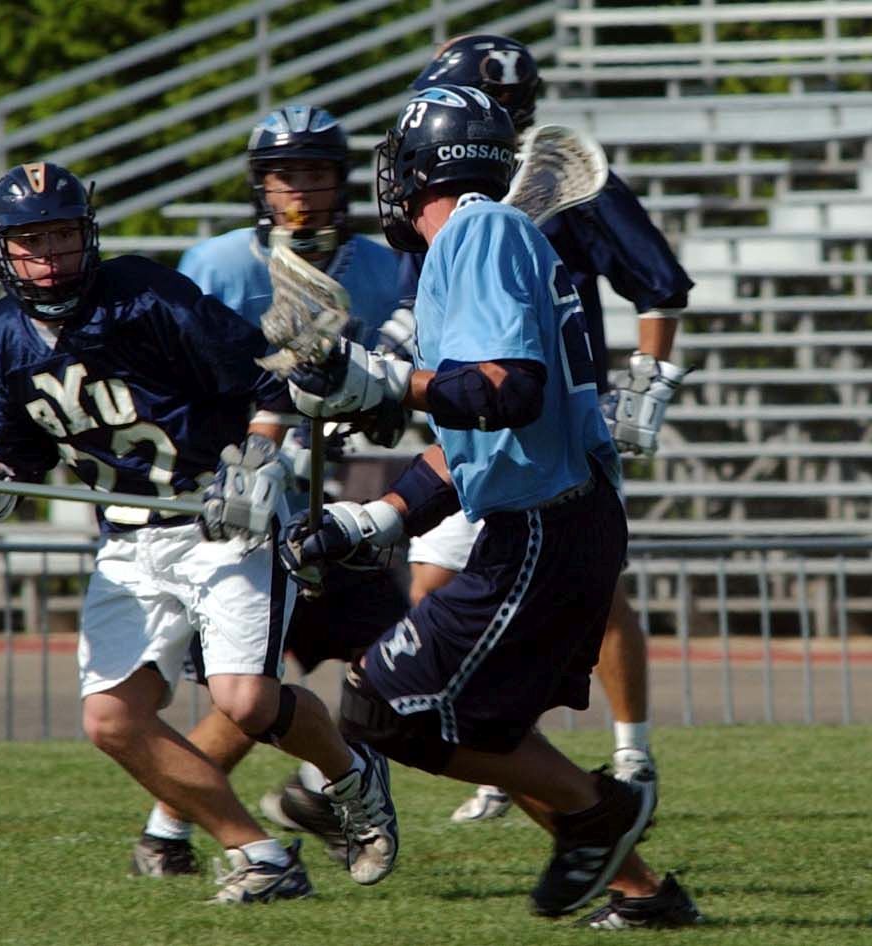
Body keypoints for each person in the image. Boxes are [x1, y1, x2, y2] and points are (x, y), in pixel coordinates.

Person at [0, 162, 397, 903]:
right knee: (111, 720)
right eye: (32, 242)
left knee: (247, 703)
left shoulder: (143, 295)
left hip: (221, 519)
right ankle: (261, 856)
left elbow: (266, 379)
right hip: (130, 540)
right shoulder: (3, 334)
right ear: (3, 249)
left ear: (88, 235)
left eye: (62, 236)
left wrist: (257, 459)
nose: (50, 257)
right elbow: (9, 451)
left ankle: (352, 780)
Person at [277, 85, 700, 926]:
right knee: (480, 725)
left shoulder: (478, 233)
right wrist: (382, 516)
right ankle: (641, 889)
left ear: (416, 168)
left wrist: (386, 379)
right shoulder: (482, 239)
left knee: (382, 706)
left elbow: (506, 390)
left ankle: (599, 813)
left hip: (546, 526)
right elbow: (475, 437)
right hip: (549, 518)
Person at [396, 34, 695, 828]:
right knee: (435, 588)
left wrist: (646, 383)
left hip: (544, 417)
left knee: (593, 593)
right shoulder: (449, 204)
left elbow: (658, 284)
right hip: (469, 420)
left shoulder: (551, 176)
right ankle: (504, 749)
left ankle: (628, 753)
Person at [122, 105, 412, 876]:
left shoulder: (382, 268)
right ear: (261, 185)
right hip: (245, 501)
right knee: (251, 687)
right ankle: (173, 827)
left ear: (341, 181)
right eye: (286, 175)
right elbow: (173, 383)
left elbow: (404, 374)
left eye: (316, 172)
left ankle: (316, 789)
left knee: (391, 663)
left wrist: (375, 401)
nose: (302, 191)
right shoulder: (216, 265)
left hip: (335, 497)